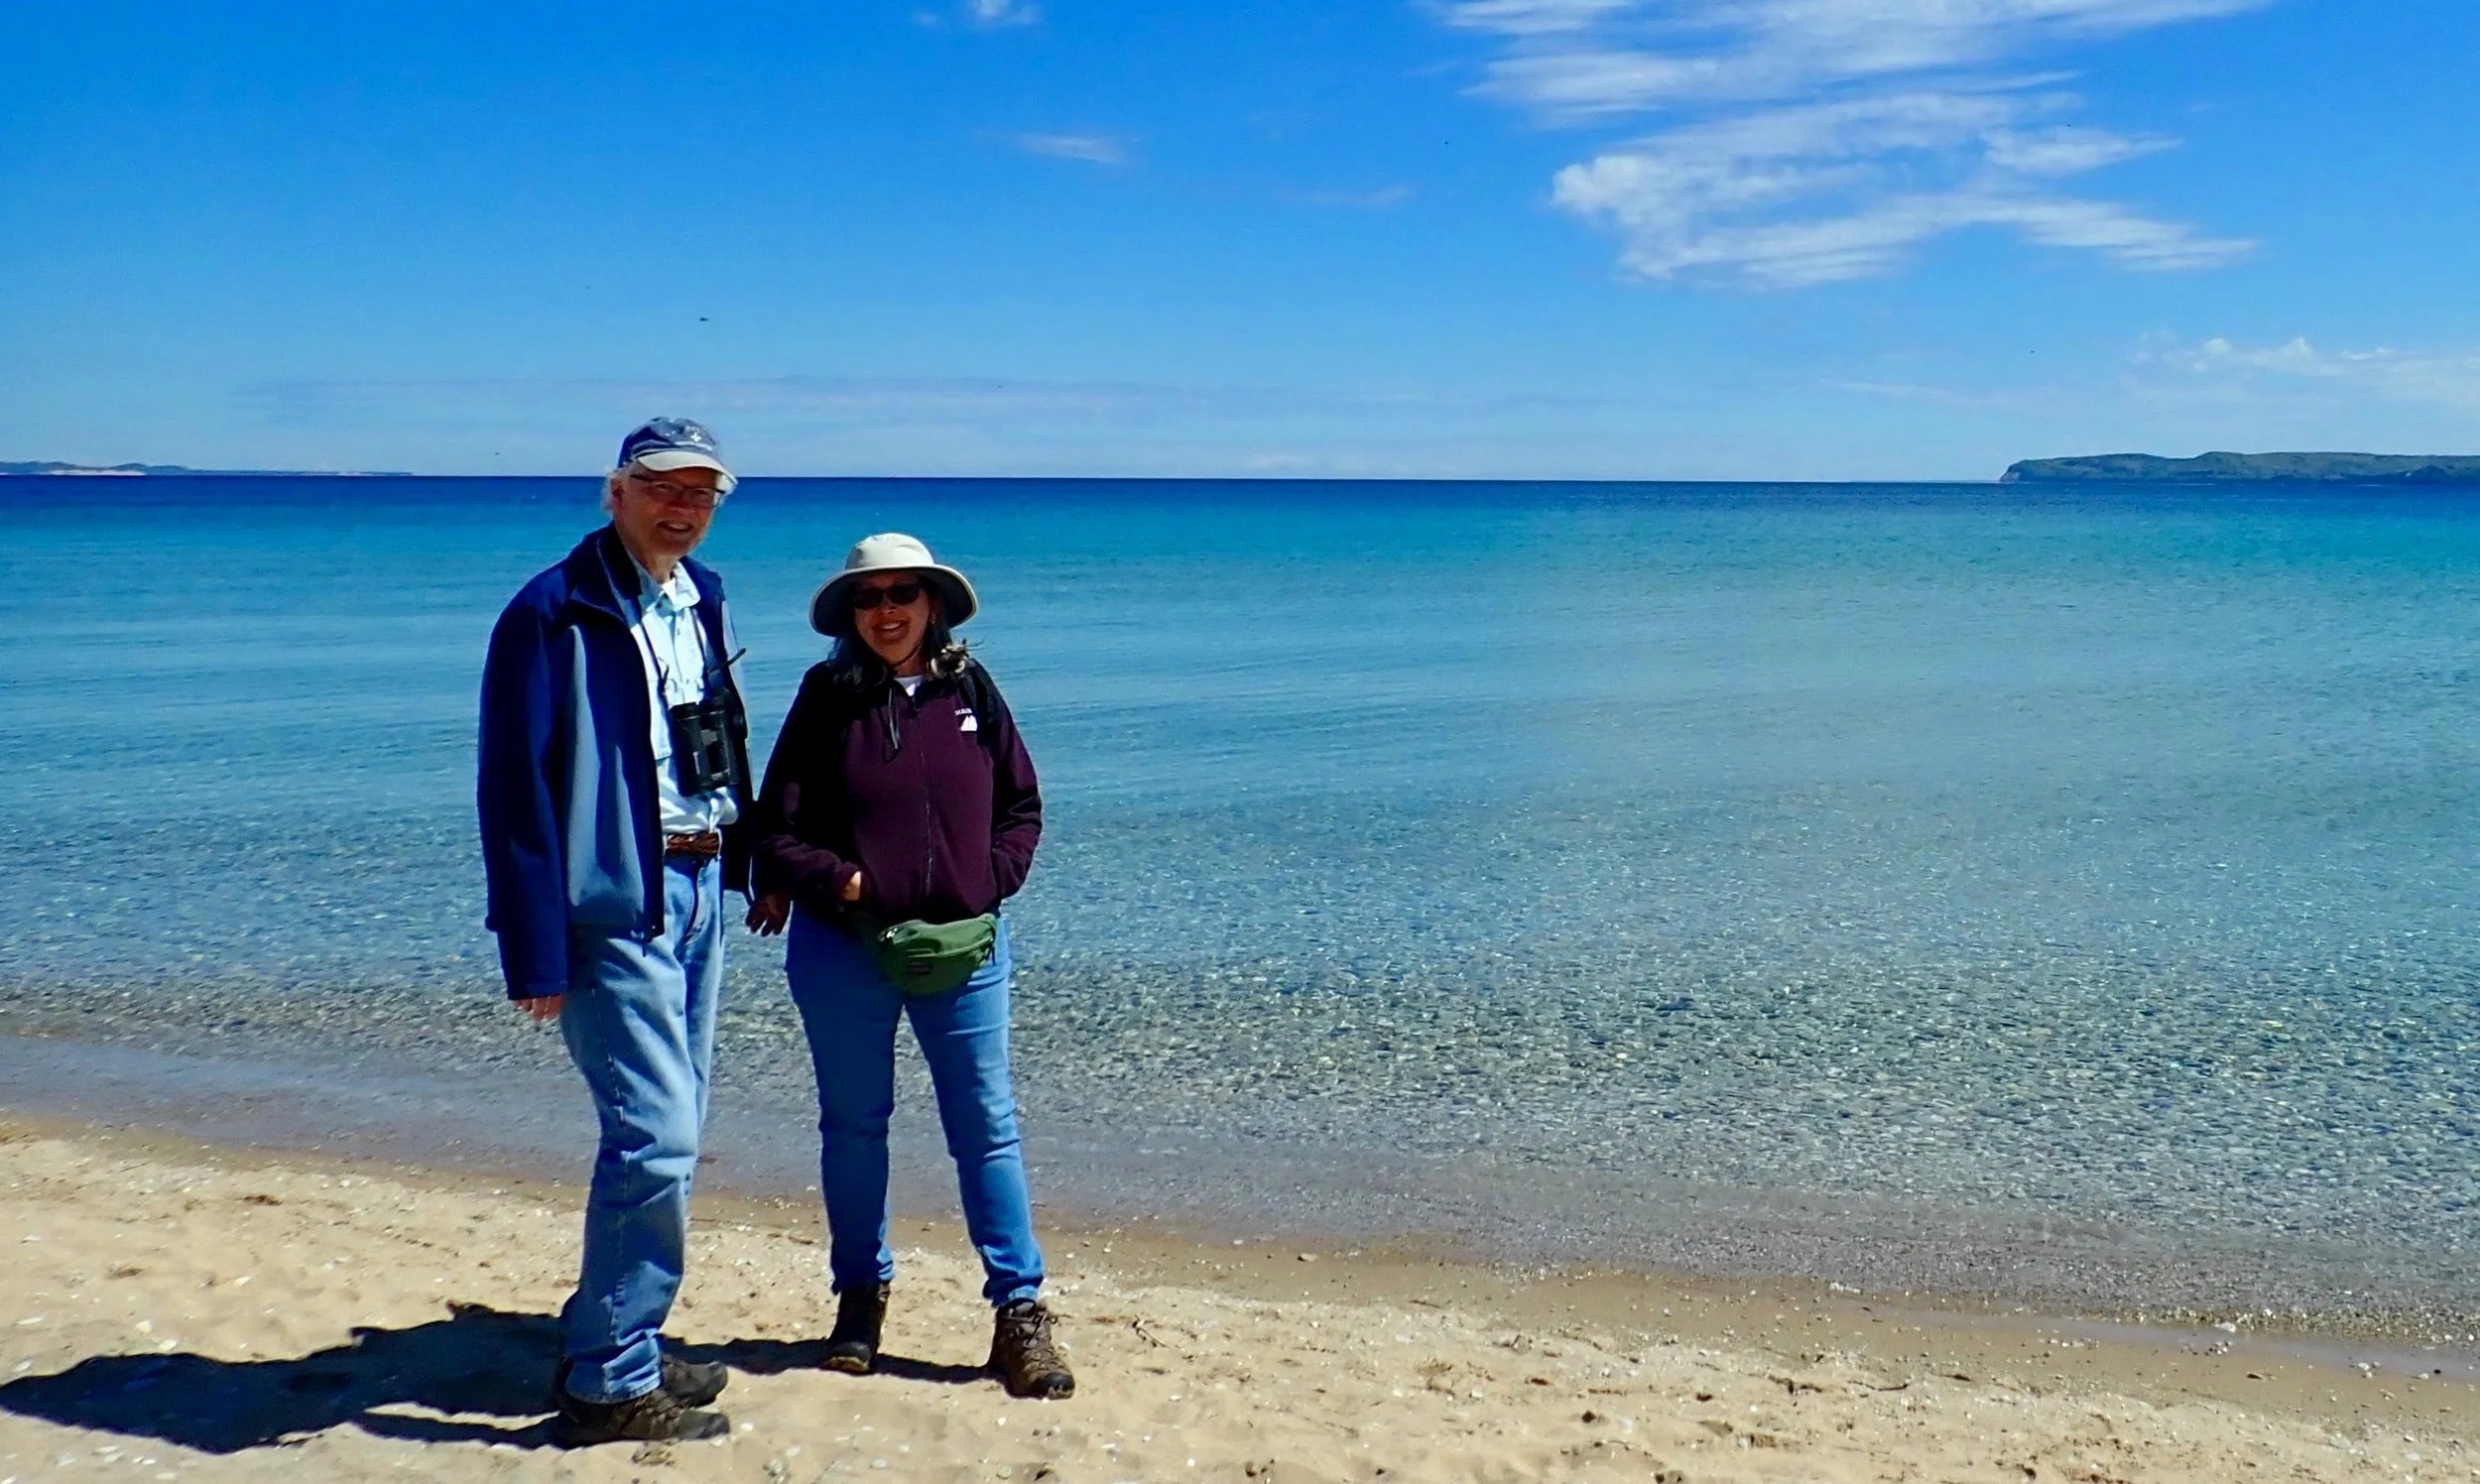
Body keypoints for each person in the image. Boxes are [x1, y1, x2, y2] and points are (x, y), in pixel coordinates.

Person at [476, 418, 757, 1445]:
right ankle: (608, 1379)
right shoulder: (550, 613)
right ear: (614, 491)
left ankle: (618, 1328)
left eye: (700, 493)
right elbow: (513, 789)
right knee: (658, 1138)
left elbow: (710, 744)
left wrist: (751, 861)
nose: (681, 508)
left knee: (668, 1138)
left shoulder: (698, 595)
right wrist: (534, 946)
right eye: (661, 488)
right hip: (610, 911)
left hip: (696, 891)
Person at [745, 533, 1074, 1399]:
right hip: (843, 950)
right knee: (854, 1129)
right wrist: (843, 881)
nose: (886, 611)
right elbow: (774, 829)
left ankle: (1021, 1316)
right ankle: (860, 1301)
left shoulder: (971, 688)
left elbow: (1023, 804)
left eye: (903, 594)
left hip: (965, 952)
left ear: (933, 603)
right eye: (869, 597)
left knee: (986, 1130)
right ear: (850, 615)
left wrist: (986, 882)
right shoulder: (825, 697)